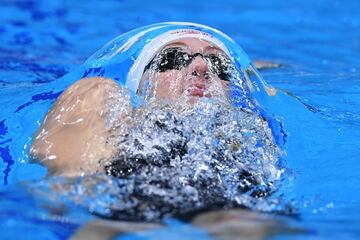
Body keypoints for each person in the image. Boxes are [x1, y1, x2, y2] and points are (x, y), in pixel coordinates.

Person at [29, 33, 239, 177]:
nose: (202, 66)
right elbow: (67, 190)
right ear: (140, 85)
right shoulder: (100, 96)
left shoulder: (242, 132)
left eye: (219, 64)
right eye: (173, 58)